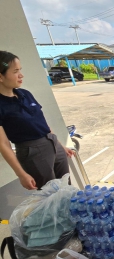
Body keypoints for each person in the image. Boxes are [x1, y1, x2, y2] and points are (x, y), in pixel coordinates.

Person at [0, 51, 74, 190]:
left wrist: (60, 145)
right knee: (50, 194)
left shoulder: (25, 94)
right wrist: (21, 174)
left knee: (66, 187)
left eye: (20, 70)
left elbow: (43, 124)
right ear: (1, 77)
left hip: (52, 142)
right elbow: (3, 144)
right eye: (15, 71)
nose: (21, 75)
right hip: (32, 151)